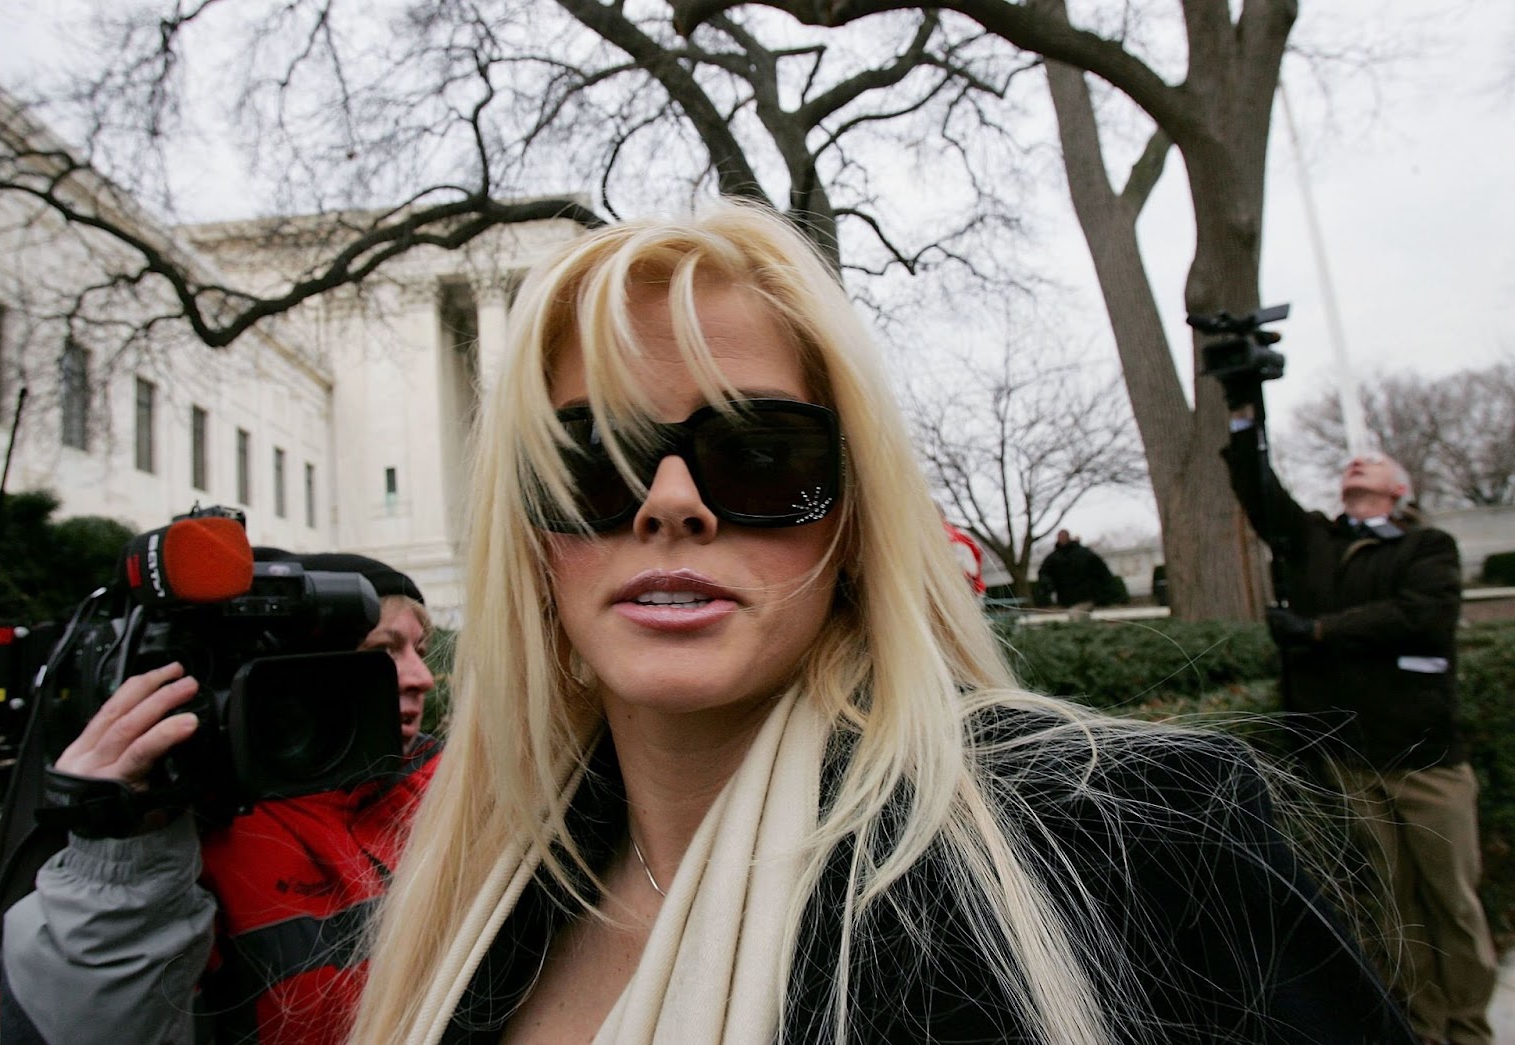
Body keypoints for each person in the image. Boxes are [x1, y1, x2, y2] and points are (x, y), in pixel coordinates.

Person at [348, 204, 1412, 1044]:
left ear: (855, 523)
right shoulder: (463, 900)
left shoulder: (1135, 840)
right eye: (599, 460)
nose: (670, 502)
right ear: (529, 535)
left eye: (761, 454)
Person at [0, 552, 442, 1045]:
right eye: (385, 650)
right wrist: (121, 866)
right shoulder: (175, 840)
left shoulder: (438, 786)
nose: (422, 678)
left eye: (419, 649)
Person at [1221, 397, 1498, 1045]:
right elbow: (1262, 494)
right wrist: (1243, 416)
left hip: (1424, 754)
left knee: (1452, 900)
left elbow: (1420, 616)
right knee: (1392, 902)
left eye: (1370, 463)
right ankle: (1421, 1025)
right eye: (1349, 465)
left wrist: (1319, 630)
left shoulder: (1428, 546)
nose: (1355, 465)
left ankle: (1468, 1028)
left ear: (1398, 490)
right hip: (1350, 754)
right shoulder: (1317, 542)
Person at [1035, 528, 1117, 613]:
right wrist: (1047, 585)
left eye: (1063, 537)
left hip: (1085, 595)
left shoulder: (1083, 553)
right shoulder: (1053, 558)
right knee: (1078, 618)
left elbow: (1101, 570)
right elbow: (1044, 572)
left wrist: (1106, 589)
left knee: (1077, 616)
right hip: (1067, 596)